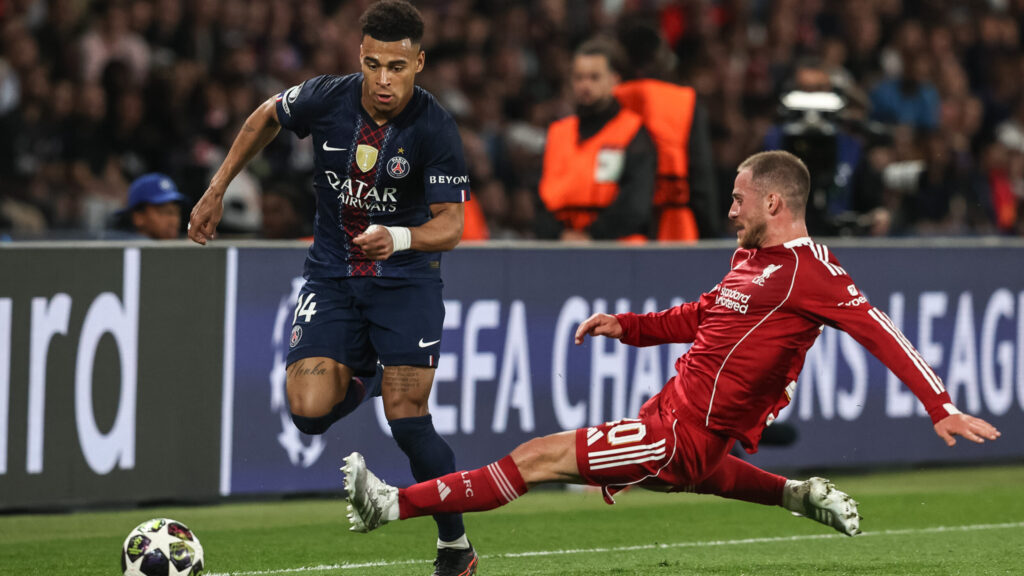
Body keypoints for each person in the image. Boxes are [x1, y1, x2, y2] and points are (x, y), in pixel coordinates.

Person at [342, 150, 1001, 542]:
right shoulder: (750, 263)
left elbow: (880, 331)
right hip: (674, 420)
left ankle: (390, 504)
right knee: (690, 472)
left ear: (774, 202)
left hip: (680, 432)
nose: (731, 210)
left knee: (535, 458)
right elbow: (699, 316)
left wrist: (938, 404)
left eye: (740, 200)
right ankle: (795, 496)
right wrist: (625, 326)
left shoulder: (812, 272)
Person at [187, 2, 478, 574]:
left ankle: (454, 546)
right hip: (333, 275)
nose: (384, 79)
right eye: (373, 64)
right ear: (360, 57)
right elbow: (267, 114)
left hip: (405, 281)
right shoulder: (327, 97)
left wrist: (396, 238)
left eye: (397, 66)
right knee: (308, 410)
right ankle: (364, 372)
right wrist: (217, 187)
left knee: (407, 416)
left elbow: (451, 226)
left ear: (419, 61)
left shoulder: (435, 127)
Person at [536, 37, 656, 242]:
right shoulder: (558, 133)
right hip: (559, 247)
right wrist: (561, 235)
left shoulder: (633, 132)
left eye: (594, 77)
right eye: (579, 78)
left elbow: (636, 203)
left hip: (615, 248)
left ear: (614, 80)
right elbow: (538, 200)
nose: (585, 85)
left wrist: (591, 237)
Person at [613, 18, 719, 242]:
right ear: (657, 56)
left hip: (617, 233)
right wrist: (711, 234)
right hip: (674, 232)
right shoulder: (684, 102)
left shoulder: (610, 101)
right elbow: (700, 182)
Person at [113, 172, 186, 239]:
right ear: (138, 217)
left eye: (176, 212)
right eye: (164, 212)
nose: (174, 220)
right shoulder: (122, 246)